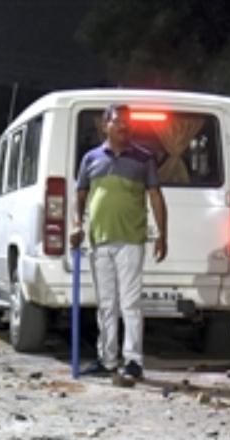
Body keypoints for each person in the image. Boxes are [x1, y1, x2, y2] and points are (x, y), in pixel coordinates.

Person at [70, 103, 168, 381]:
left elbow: (156, 197)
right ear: (105, 125)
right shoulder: (90, 159)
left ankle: (133, 360)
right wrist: (77, 224)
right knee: (106, 304)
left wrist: (163, 234)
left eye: (128, 123)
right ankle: (107, 359)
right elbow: (80, 196)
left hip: (131, 240)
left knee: (130, 303)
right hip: (99, 240)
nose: (124, 127)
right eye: (118, 122)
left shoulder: (143, 158)